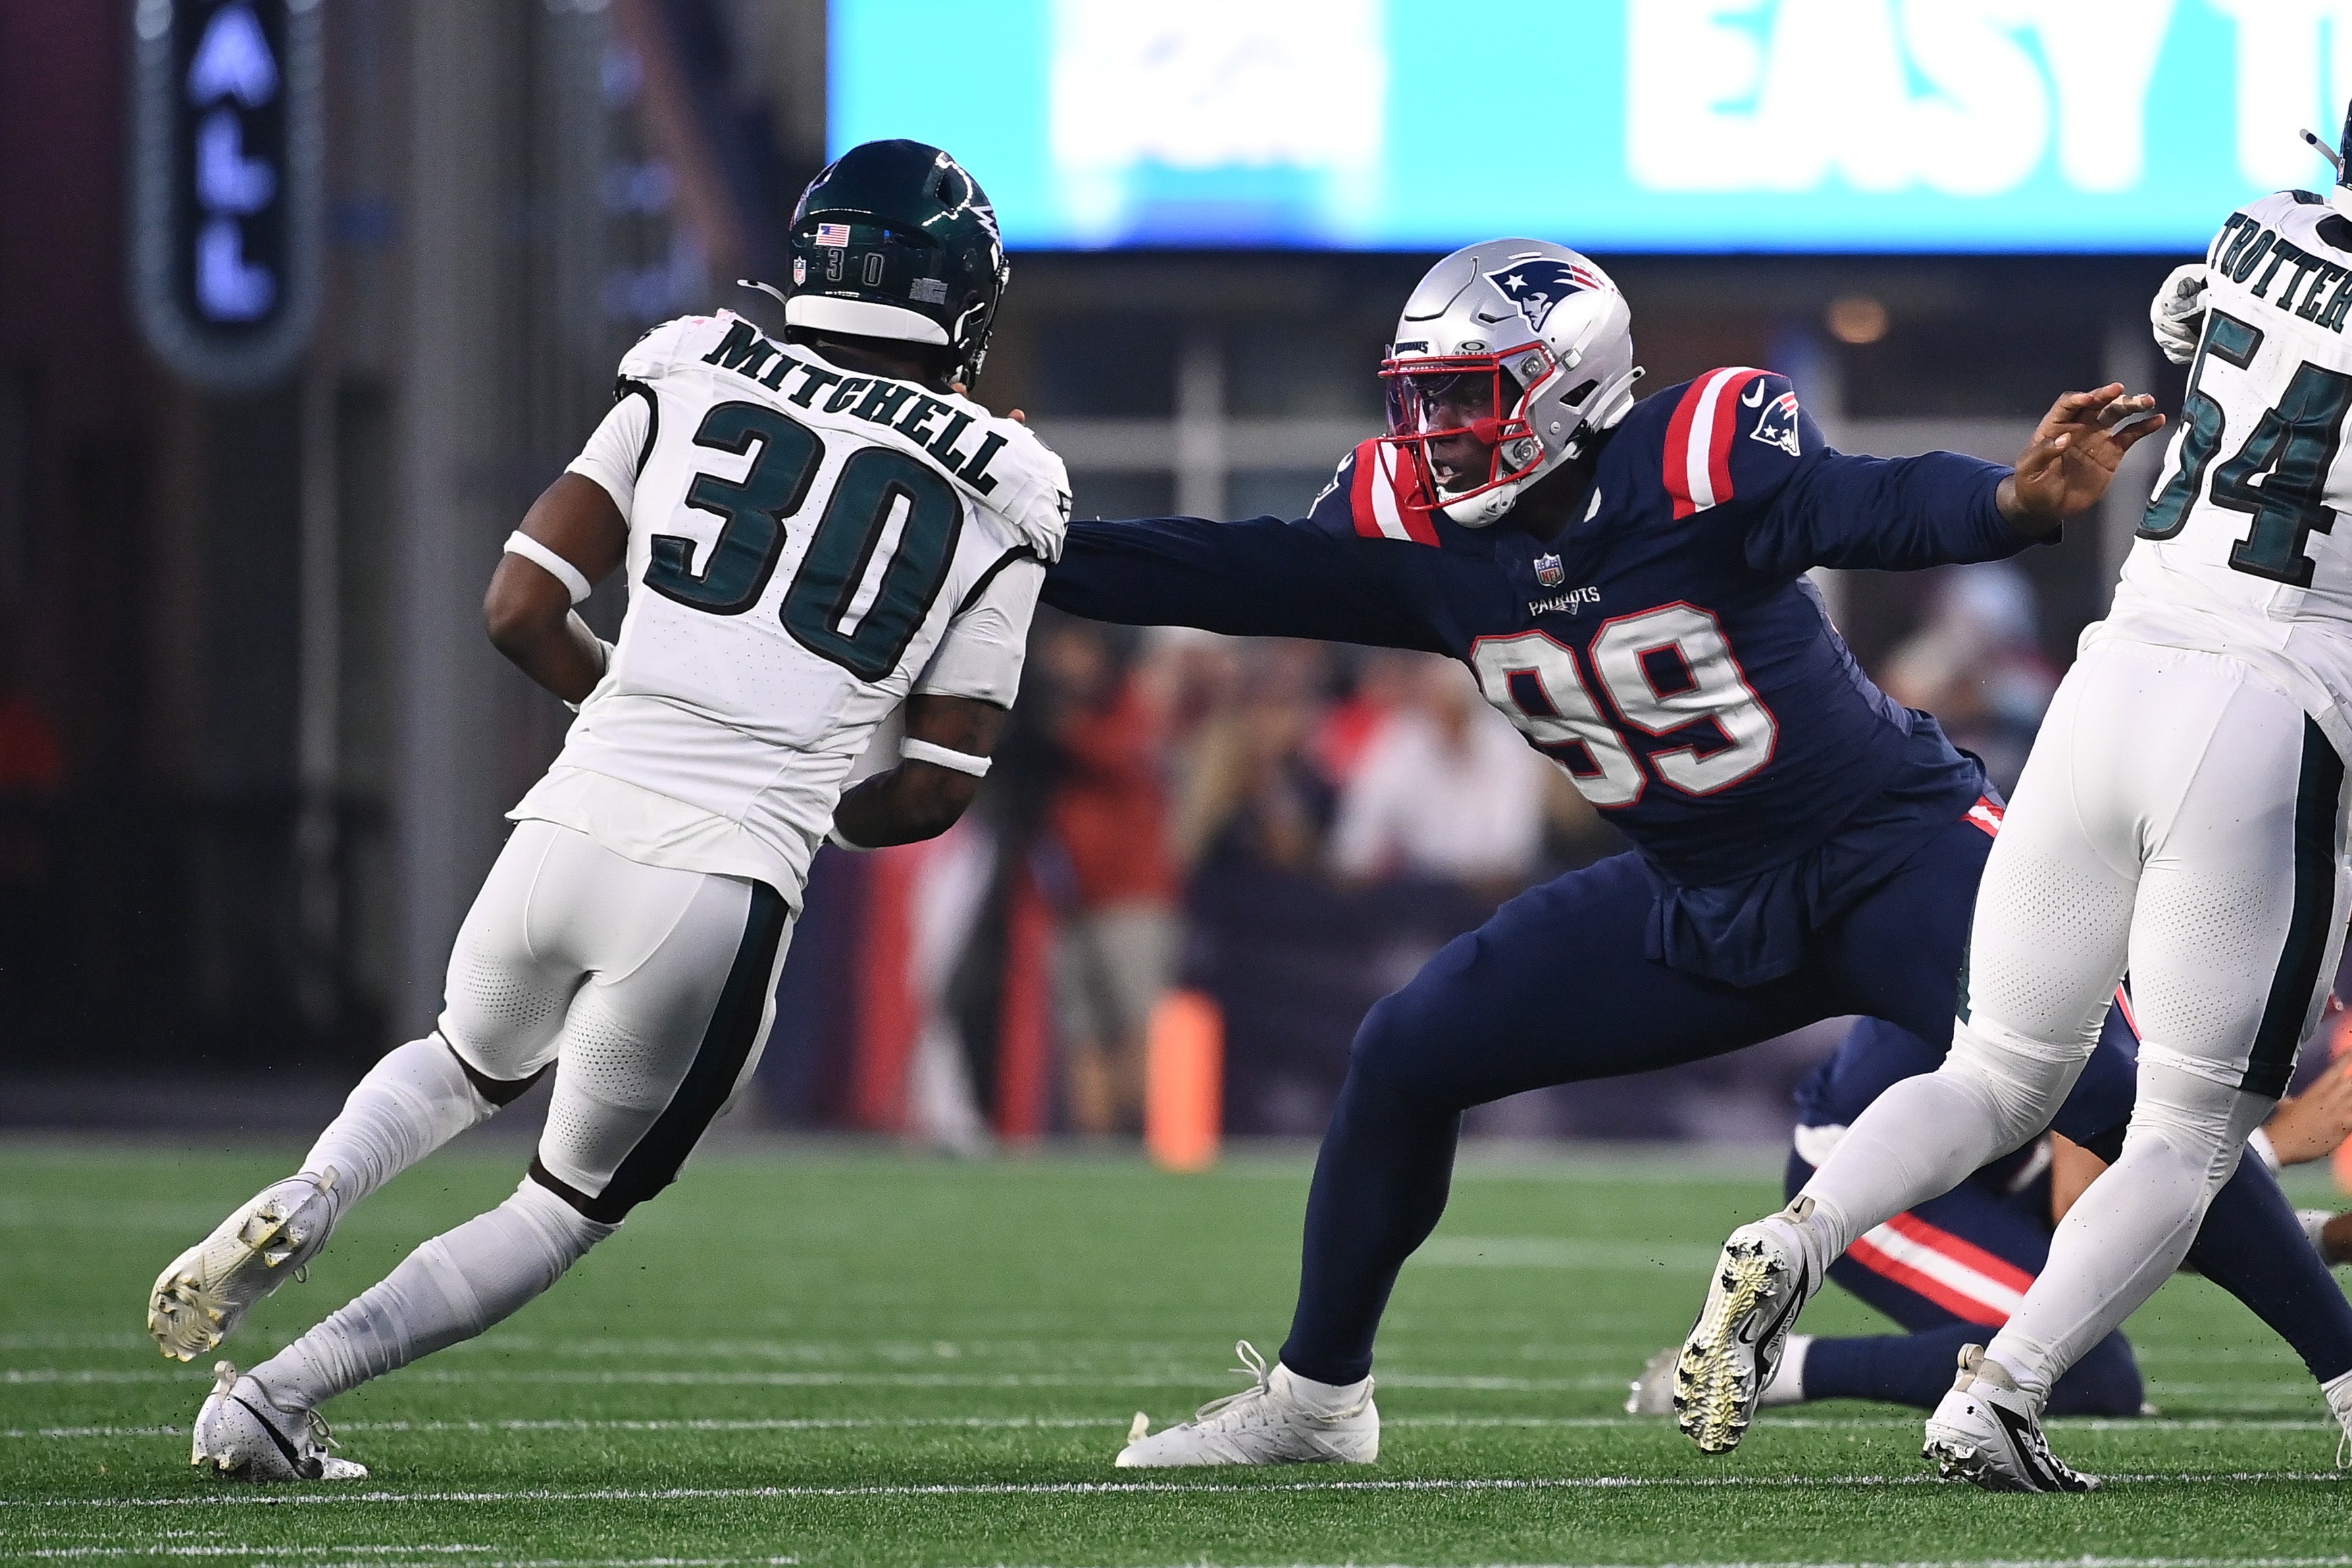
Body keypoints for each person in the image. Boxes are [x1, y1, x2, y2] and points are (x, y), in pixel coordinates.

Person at [1039, 236, 2165, 1466]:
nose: (1431, 429)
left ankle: (2340, 1369)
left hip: (1878, 852)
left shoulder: (1696, 456)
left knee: (2130, 1101)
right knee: (1405, 1051)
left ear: (1564, 385)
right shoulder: (1421, 533)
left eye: (1464, 395)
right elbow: (1230, 566)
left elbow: (1864, 502)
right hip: (1700, 896)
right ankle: (1317, 1400)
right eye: (1417, 396)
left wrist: (2002, 502)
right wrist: (1041, 538)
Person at [145, 139, 1069, 1482]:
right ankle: (274, 1400)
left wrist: (619, 708)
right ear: (963, 305)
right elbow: (937, 785)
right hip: (722, 878)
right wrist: (812, 810)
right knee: (564, 1205)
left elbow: (520, 606)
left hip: (568, 819)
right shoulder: (1010, 480)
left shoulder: (692, 357)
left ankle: (317, 1187)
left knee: (464, 1058)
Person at [1683, 117, 2352, 1491]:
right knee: (2186, 1131)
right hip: (2267, 710)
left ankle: (1799, 1239)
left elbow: (2193, 314)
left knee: (1993, 1072)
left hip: (2111, 679)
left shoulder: (2255, 228)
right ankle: (2001, 1389)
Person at [1628, 1014, 2352, 1419]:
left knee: (2082, 1345)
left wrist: (2337, 1234)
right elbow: (2100, 1208)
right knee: (2086, 1371)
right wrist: (2269, 1145)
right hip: (1879, 1181)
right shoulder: (2138, 946)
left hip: (1997, 1164)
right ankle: (1761, 1361)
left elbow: (2180, 1220)